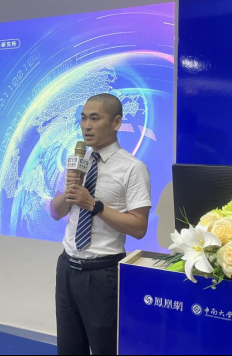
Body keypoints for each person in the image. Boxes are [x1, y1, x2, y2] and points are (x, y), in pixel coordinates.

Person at [51, 93, 152, 355]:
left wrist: (93, 205)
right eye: (83, 118)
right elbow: (55, 212)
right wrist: (69, 192)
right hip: (67, 269)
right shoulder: (76, 163)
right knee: (69, 348)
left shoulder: (133, 168)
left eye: (95, 119)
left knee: (105, 348)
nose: (87, 126)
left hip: (102, 275)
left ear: (116, 122)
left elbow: (139, 227)